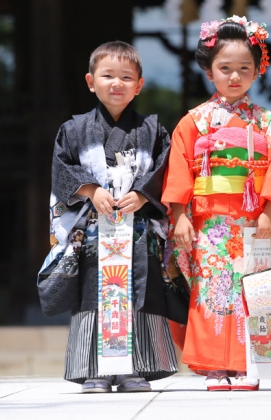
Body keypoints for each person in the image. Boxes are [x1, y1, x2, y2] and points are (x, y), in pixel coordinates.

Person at [162, 16, 271, 392]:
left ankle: (248, 365)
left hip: (254, 223)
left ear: (258, 71)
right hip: (209, 224)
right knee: (213, 291)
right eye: (225, 68)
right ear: (209, 71)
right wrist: (179, 217)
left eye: (245, 68)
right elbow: (179, 171)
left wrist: (270, 213)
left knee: (252, 293)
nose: (234, 76)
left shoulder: (268, 122)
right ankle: (215, 366)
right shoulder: (193, 121)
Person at [39, 41, 178, 393]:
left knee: (139, 290)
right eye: (108, 76)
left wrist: (142, 194)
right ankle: (95, 370)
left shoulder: (152, 129)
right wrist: (91, 190)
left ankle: (136, 367)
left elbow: (165, 170)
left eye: (126, 77)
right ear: (91, 81)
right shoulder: (73, 130)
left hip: (138, 227)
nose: (117, 83)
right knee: (93, 292)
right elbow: (60, 169)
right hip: (92, 229)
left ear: (139, 85)